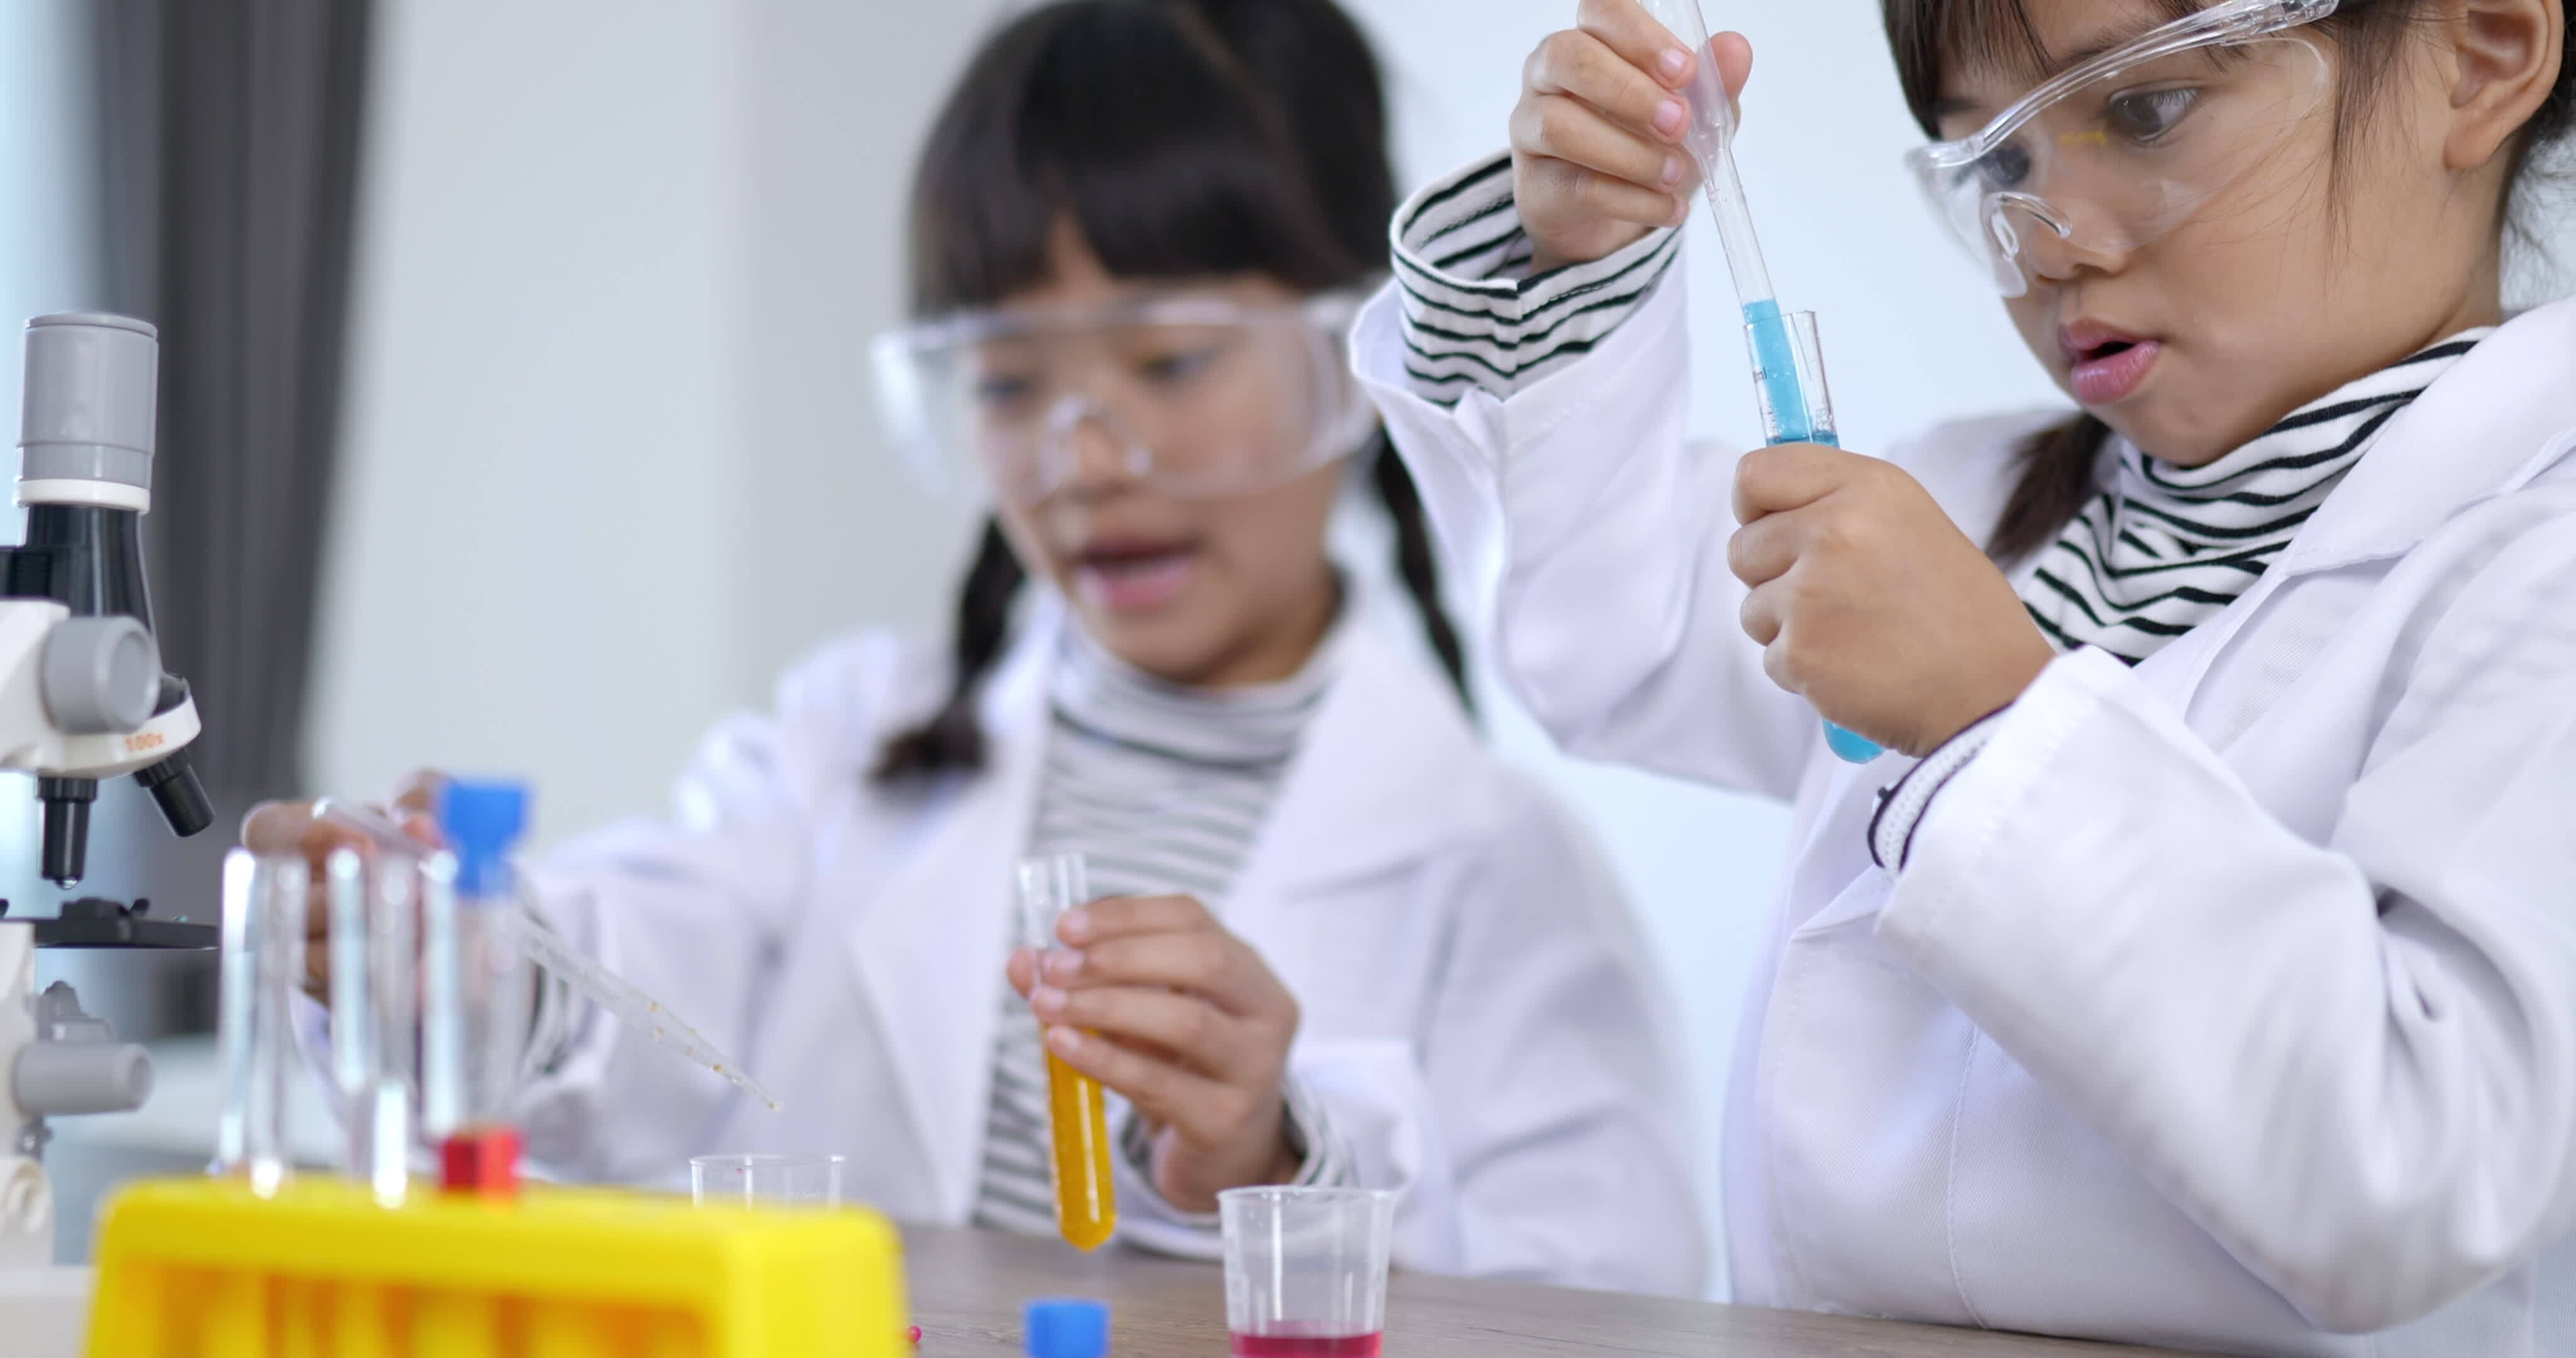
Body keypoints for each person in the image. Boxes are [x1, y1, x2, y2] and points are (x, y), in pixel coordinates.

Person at [251, 0, 1703, 1294]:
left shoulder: (1503, 879)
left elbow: (1592, 1308)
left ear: (1348, 359)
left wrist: (1278, 1163)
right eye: (1006, 382)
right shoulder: (846, 750)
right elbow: (641, 990)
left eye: (1170, 360)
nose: (1079, 456)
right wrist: (458, 963)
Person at [1350, 0, 2576, 1349]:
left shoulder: (2537, 548)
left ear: (2480, 55)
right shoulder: (1971, 502)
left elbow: (2415, 1167)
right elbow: (1611, 640)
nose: (2050, 245)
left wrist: (1994, 720)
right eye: (1994, 164)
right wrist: (1571, 251)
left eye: (2143, 108)